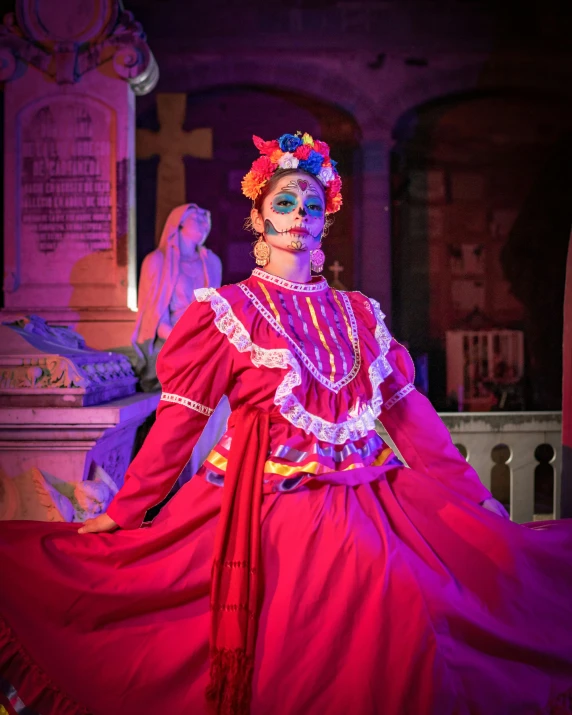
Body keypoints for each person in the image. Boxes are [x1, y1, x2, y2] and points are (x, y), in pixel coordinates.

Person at [1, 132, 572, 715]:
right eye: (284, 203)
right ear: (258, 218)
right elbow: (178, 426)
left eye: (312, 206)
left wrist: (474, 497)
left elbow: (412, 419)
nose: (299, 214)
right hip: (269, 505)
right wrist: (123, 511)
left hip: (372, 498)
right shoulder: (227, 311)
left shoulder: (360, 315)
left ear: (325, 224)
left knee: (421, 603)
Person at [131, 202, 230, 485]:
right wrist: (191, 343)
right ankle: (181, 479)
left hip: (206, 347)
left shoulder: (210, 262)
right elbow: (156, 320)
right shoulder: (157, 261)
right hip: (173, 348)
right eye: (196, 216)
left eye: (205, 216)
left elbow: (216, 313)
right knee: (193, 401)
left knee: (226, 398)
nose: (203, 220)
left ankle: (211, 472)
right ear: (179, 224)